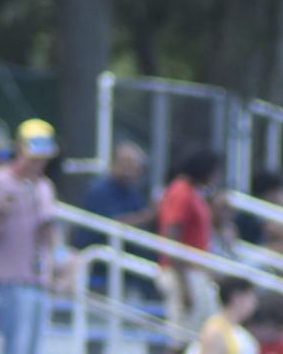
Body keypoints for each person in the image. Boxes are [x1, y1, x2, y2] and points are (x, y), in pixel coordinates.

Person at [0, 119, 62, 354]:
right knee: (15, 352)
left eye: (42, 159)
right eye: (33, 158)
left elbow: (50, 234)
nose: (38, 165)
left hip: (39, 277)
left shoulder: (44, 187)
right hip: (12, 277)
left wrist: (56, 259)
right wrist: (2, 212)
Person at [154, 148, 220, 327]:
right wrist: (183, 286)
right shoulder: (181, 192)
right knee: (182, 337)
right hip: (183, 273)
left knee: (205, 335)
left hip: (195, 271)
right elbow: (171, 239)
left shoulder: (193, 192)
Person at [74, 139, 153, 237]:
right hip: (93, 249)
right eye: (126, 162)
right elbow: (111, 224)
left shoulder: (131, 191)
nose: (130, 168)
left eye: (134, 164)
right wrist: (148, 215)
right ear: (113, 162)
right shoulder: (99, 189)